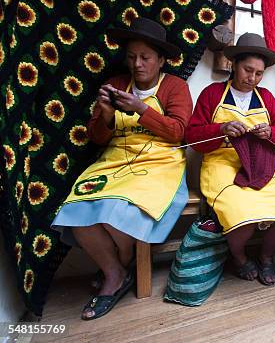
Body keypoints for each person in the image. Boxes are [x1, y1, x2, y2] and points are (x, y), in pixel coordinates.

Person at [52, 17, 193, 320]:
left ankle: (120, 267)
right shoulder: (116, 84)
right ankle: (115, 269)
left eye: (145, 57)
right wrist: (104, 115)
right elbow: (96, 137)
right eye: (131, 57)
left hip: (160, 163)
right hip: (116, 159)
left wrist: (141, 109)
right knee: (79, 208)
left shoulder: (175, 87)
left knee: (121, 211)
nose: (137, 64)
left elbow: (178, 133)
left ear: (161, 60)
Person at [184, 33, 275, 286]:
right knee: (242, 215)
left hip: (264, 162)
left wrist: (270, 132)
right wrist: (220, 129)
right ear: (234, 64)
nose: (253, 78)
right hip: (222, 162)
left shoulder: (267, 98)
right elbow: (192, 137)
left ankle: (266, 256)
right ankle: (238, 257)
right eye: (248, 70)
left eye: (259, 73)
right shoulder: (213, 93)